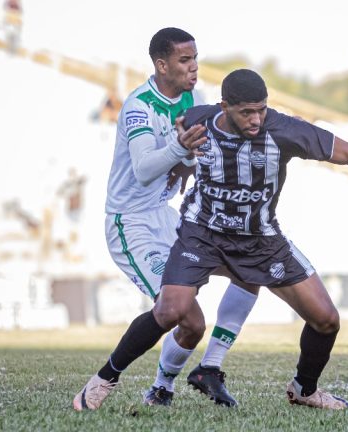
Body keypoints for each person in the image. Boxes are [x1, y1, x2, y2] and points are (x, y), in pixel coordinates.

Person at [139, 68, 348, 410]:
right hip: (204, 234)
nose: (256, 118)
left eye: (262, 109)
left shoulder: (284, 130)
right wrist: (181, 161)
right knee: (182, 316)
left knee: (326, 319)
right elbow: (182, 124)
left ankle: (299, 387)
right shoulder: (203, 117)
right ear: (226, 107)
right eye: (247, 111)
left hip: (258, 240)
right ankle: (161, 385)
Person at [73, 28, 259, 411]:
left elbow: (192, 160)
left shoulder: (194, 99)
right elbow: (143, 169)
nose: (194, 68)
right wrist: (180, 148)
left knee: (250, 266)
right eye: (184, 61)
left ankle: (188, 377)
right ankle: (105, 377)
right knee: (185, 318)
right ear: (162, 64)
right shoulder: (139, 106)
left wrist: (188, 160)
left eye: (195, 59)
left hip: (168, 215)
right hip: (132, 223)